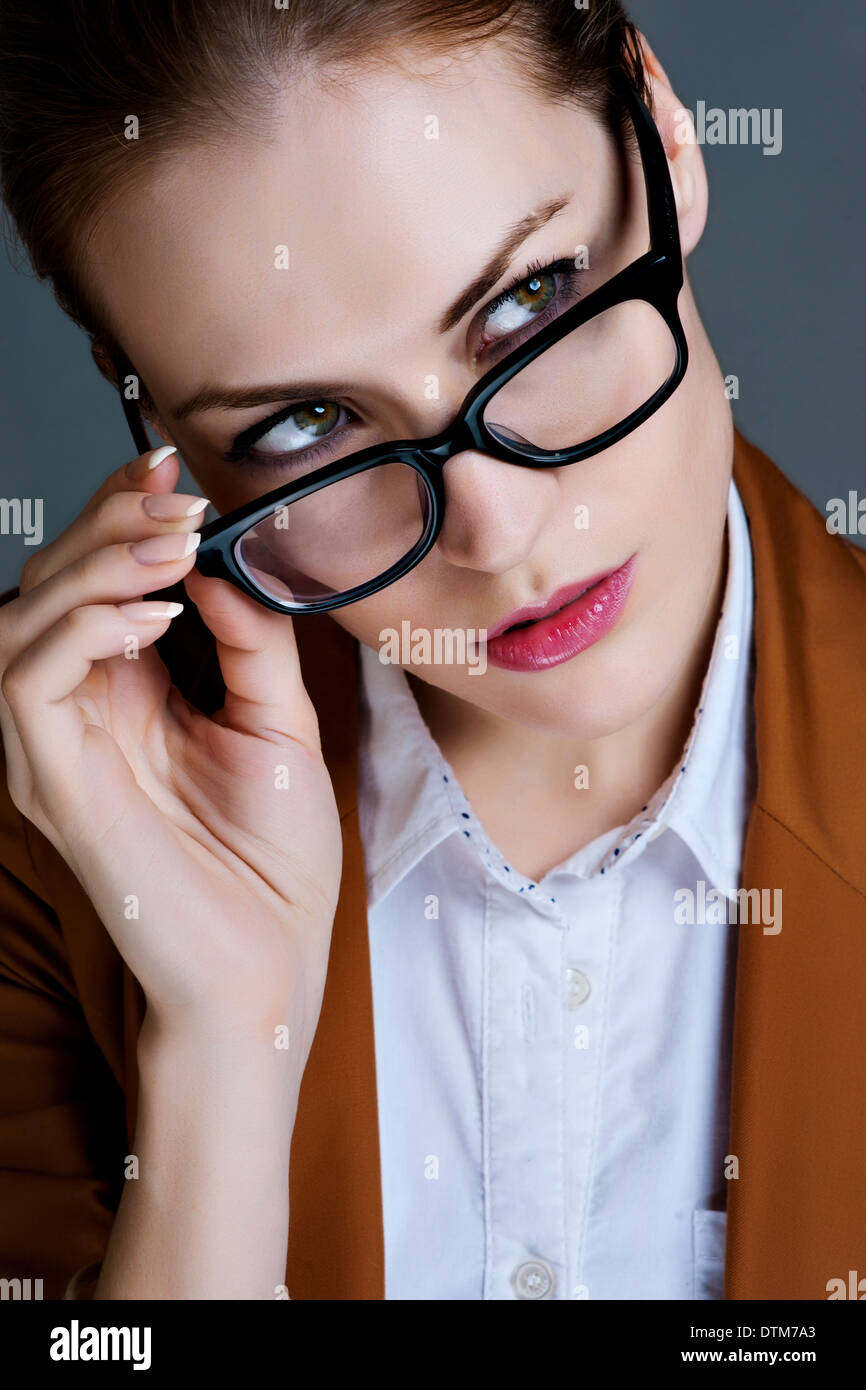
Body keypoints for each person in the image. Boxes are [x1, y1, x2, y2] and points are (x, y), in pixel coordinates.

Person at [0, 0, 863, 1302]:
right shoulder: (43, 858)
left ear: (663, 133)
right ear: (161, 426)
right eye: (306, 423)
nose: (497, 525)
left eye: (528, 300)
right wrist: (221, 1068)